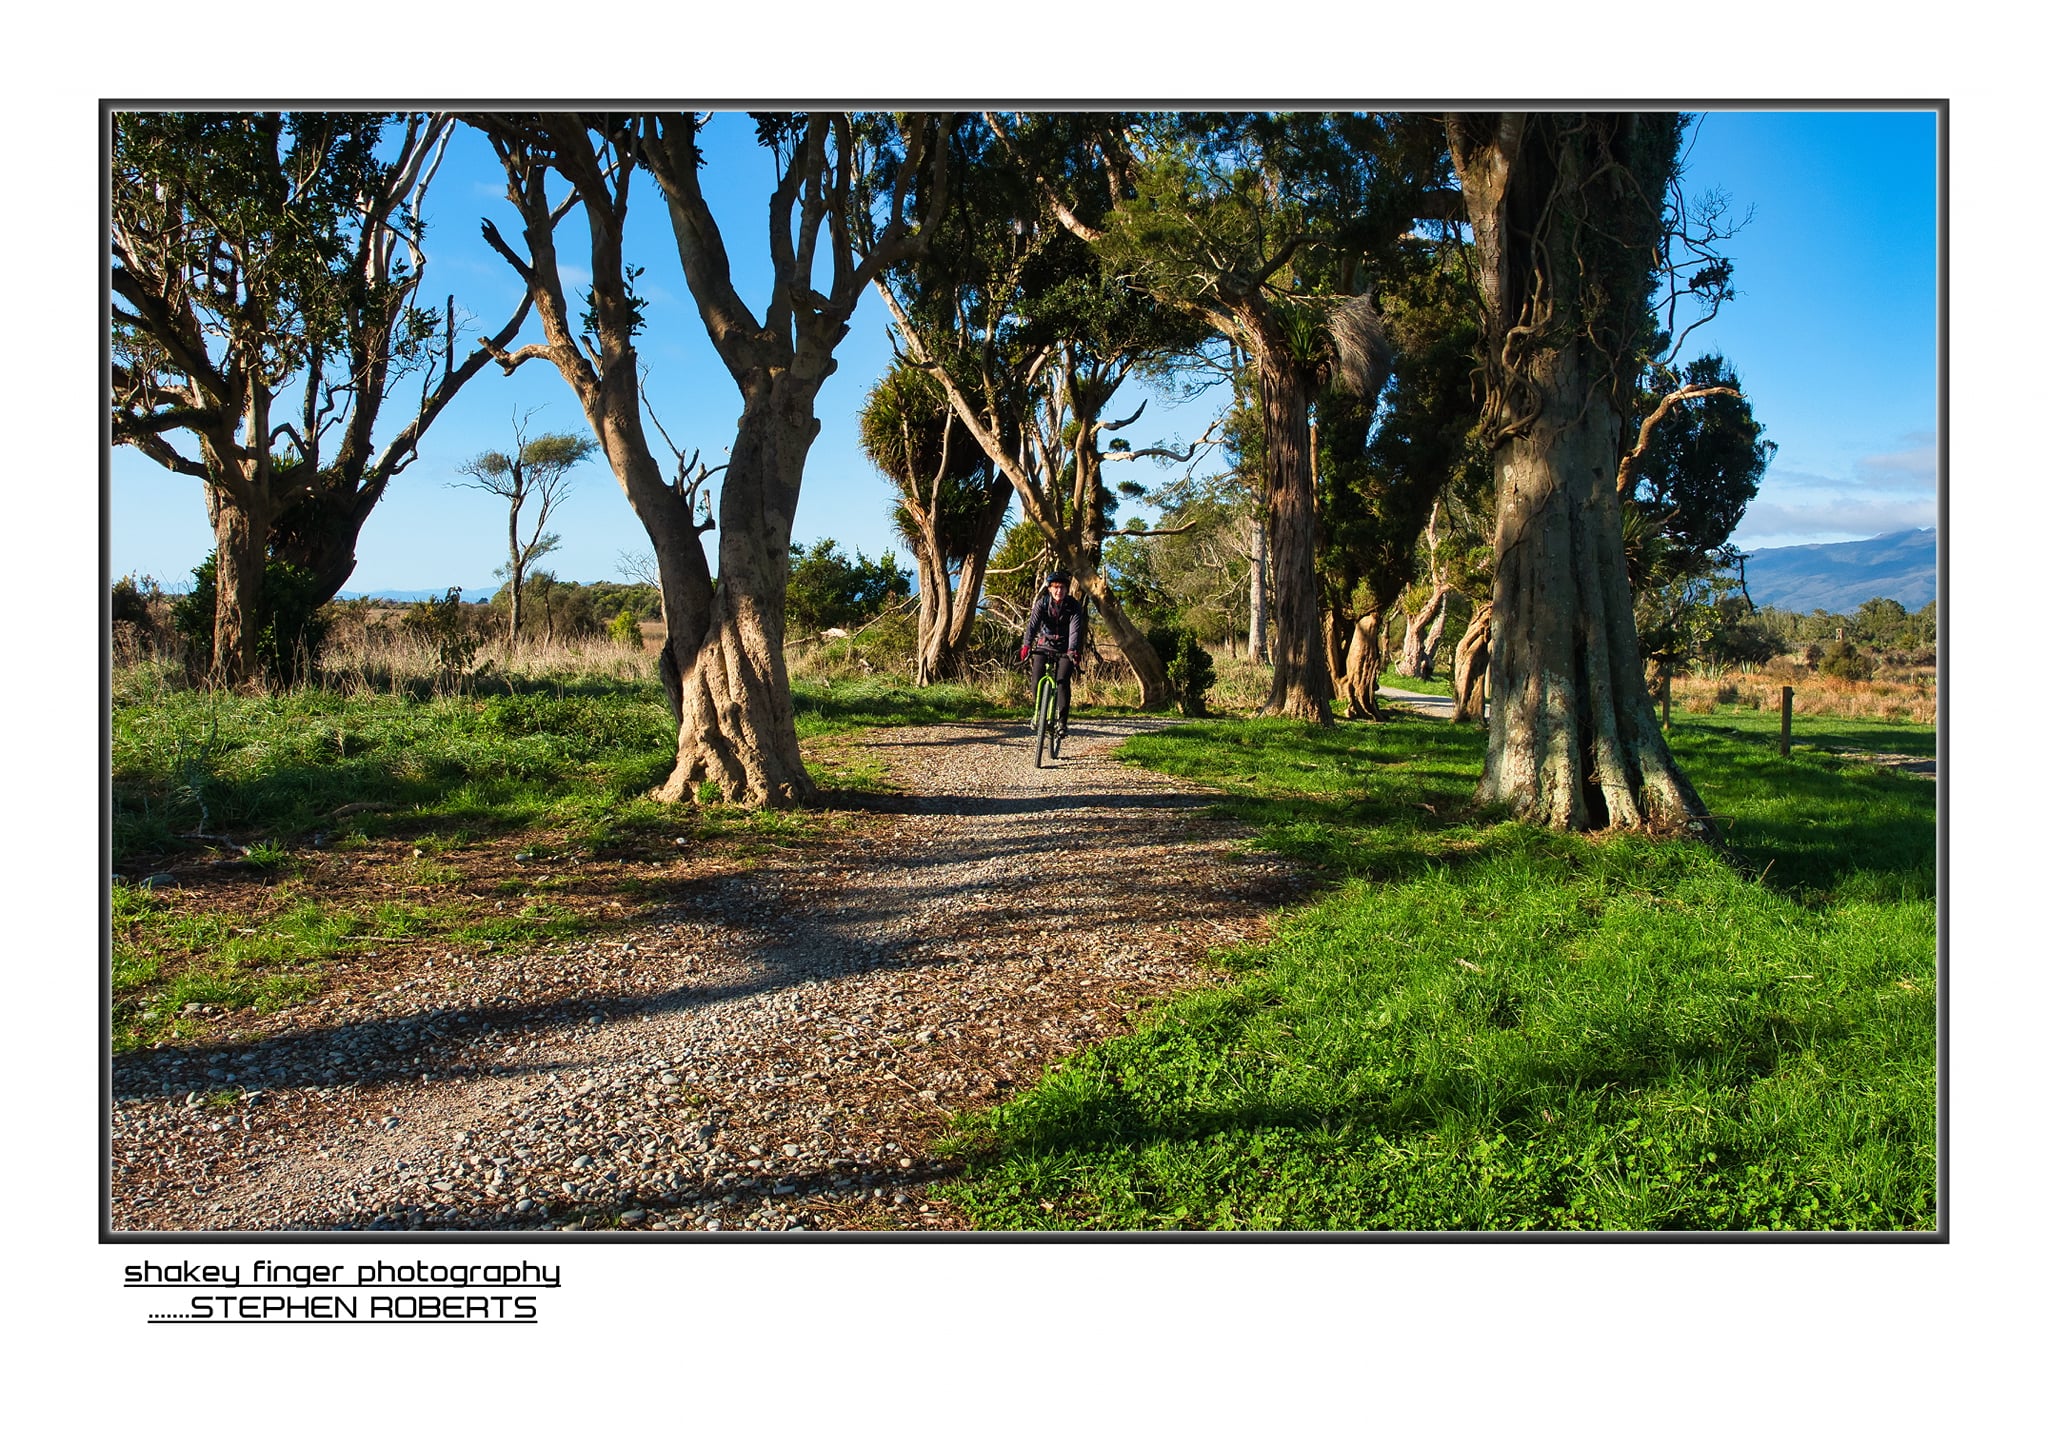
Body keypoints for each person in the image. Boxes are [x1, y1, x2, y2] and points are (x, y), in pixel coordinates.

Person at [1018, 569, 1086, 735]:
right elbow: (1032, 625)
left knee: (1062, 682)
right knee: (1036, 679)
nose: (1059, 591)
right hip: (1045, 645)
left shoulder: (1074, 606)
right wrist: (1027, 645)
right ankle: (1038, 714)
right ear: (1049, 588)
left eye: (1062, 587)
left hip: (1066, 648)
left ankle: (1062, 722)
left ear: (1067, 589)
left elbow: (1075, 631)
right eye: (1055, 587)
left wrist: (1073, 650)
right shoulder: (1042, 603)